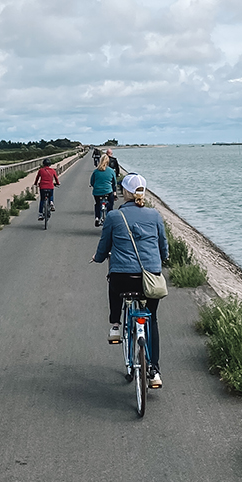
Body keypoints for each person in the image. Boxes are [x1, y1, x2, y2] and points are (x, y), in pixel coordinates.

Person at [92, 172, 168, 387]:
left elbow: (104, 245)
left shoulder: (115, 216)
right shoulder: (154, 215)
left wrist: (98, 259)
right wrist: (164, 258)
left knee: (113, 284)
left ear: (124, 192)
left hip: (124, 279)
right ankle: (154, 371)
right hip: (150, 279)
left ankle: (115, 324)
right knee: (151, 318)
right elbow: (163, 244)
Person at [88, 157, 117, 226]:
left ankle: (97, 218)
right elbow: (114, 182)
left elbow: (92, 182)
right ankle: (110, 218)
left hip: (97, 192)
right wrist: (114, 191)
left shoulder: (96, 171)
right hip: (108, 191)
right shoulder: (111, 171)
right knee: (110, 204)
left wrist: (95, 186)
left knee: (97, 204)